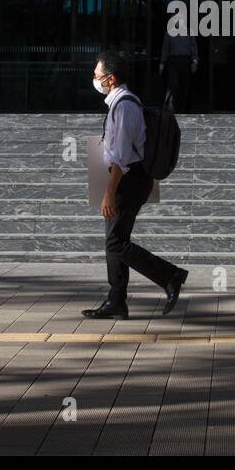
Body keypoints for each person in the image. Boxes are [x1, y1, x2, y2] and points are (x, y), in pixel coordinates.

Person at [82, 52, 188, 320]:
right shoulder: (120, 103)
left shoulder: (125, 106)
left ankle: (170, 276)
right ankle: (116, 300)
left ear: (111, 78)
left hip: (128, 181)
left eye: (97, 76)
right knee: (115, 241)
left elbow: (121, 157)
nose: (95, 80)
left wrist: (108, 192)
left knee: (115, 243)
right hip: (126, 179)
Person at [159, 26, 199, 112]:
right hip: (173, 62)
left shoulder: (189, 32)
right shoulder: (169, 33)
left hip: (185, 61)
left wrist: (195, 62)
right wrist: (161, 65)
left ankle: (182, 110)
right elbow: (165, 49)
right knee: (174, 86)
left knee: (185, 87)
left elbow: (194, 47)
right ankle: (175, 109)